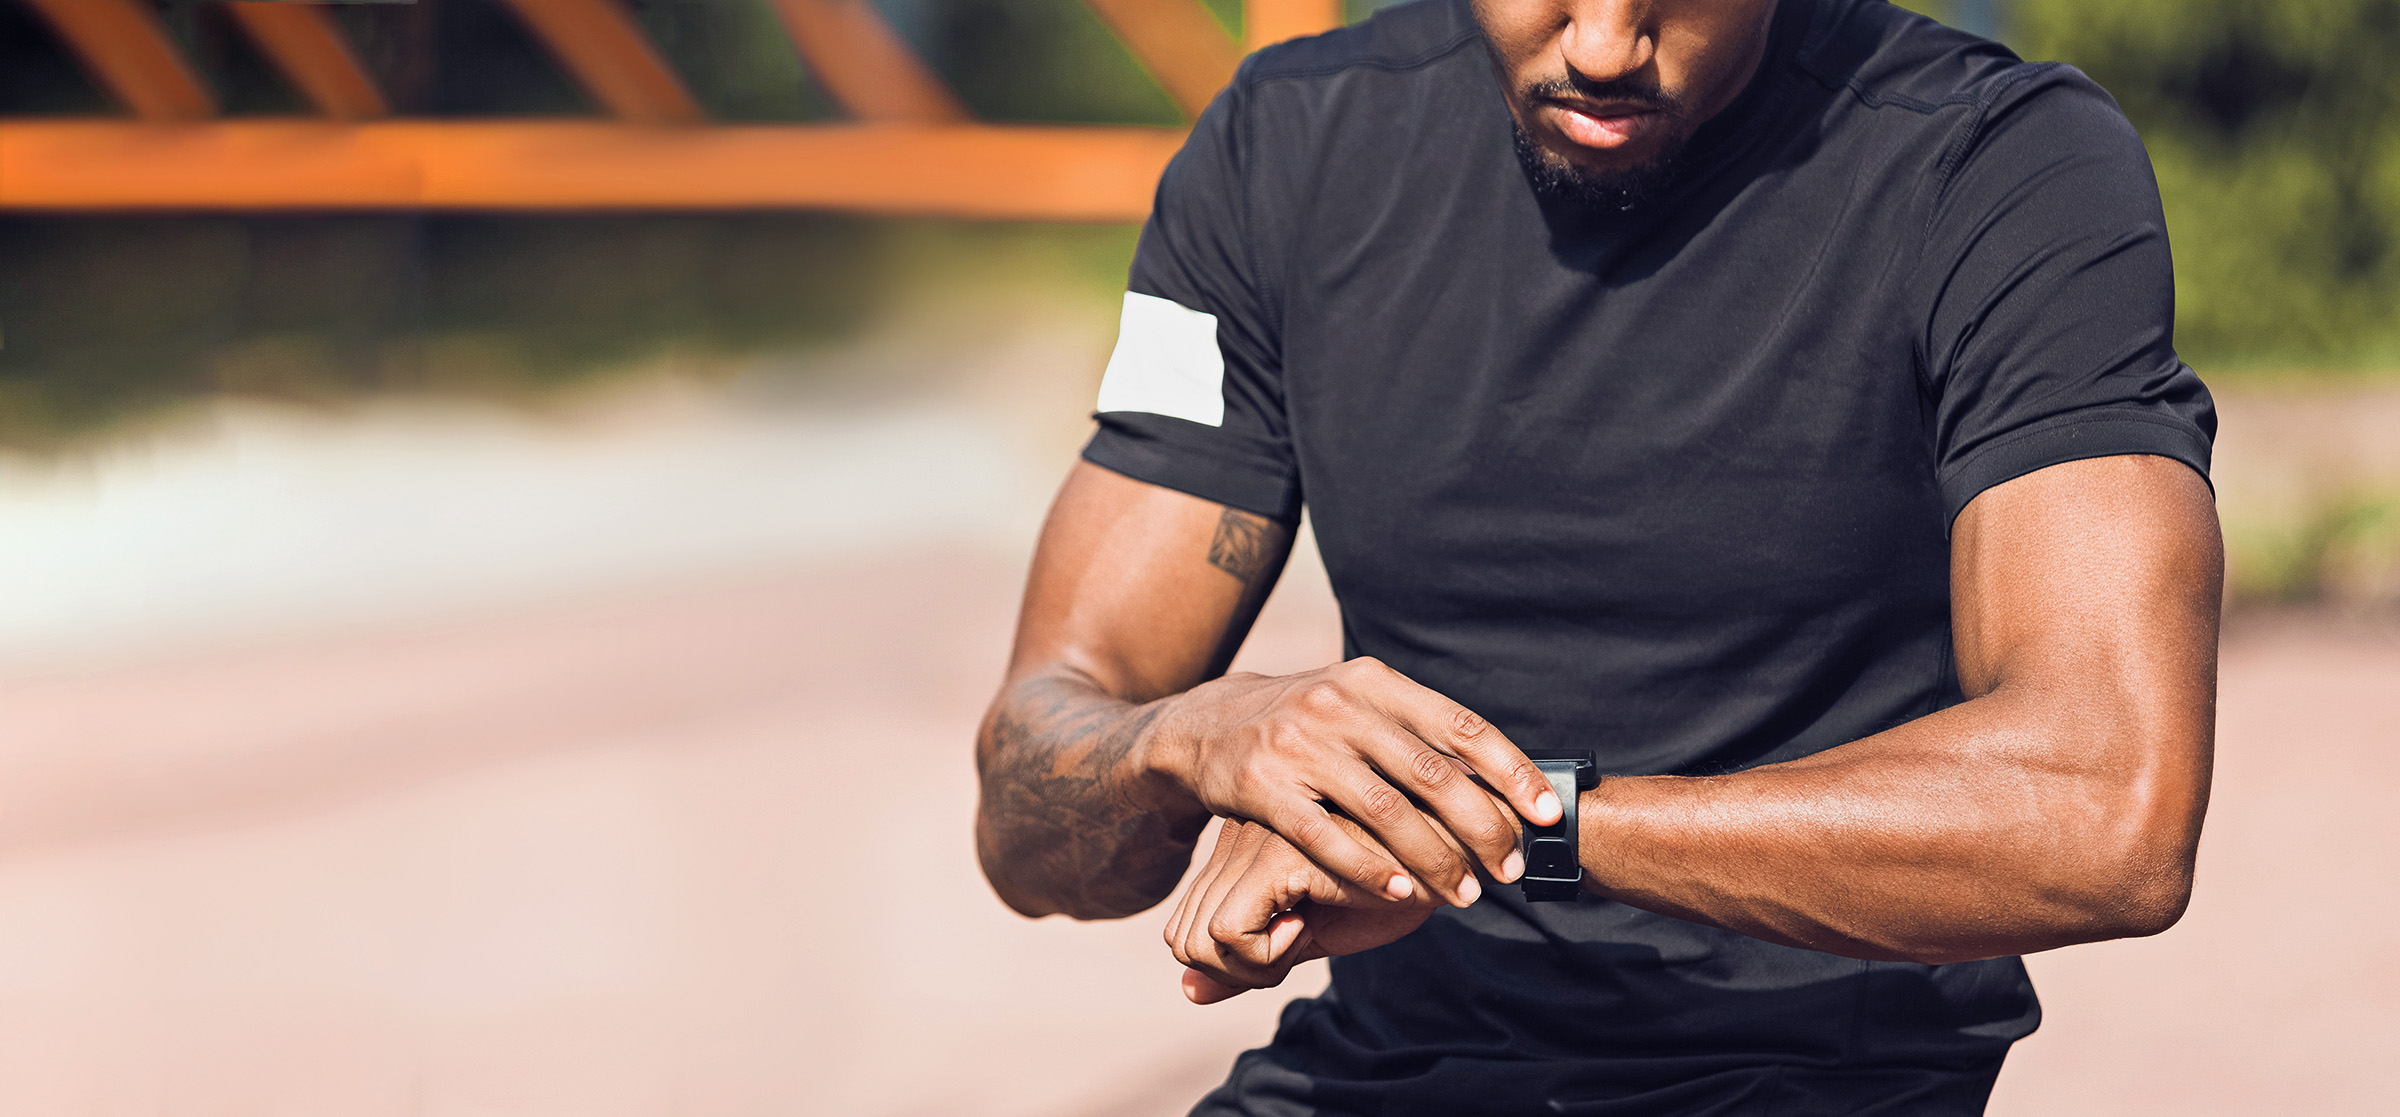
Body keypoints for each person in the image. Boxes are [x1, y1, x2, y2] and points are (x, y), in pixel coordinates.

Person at [973, 0, 2222, 1112]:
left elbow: (2107, 812)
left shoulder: (1998, 163)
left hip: (1810, 1077)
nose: (1604, 44)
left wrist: (1520, 822)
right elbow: (1027, 820)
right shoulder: (1284, 148)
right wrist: (1195, 741)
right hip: (1381, 1066)